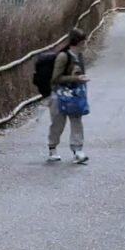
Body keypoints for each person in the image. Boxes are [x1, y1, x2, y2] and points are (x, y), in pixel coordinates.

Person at [47, 28, 89, 164]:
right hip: (59, 96)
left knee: (77, 121)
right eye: (83, 42)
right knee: (58, 124)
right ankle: (52, 147)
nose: (85, 45)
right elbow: (55, 78)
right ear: (76, 43)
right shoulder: (63, 57)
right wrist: (75, 79)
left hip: (75, 95)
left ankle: (78, 150)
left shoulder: (80, 57)